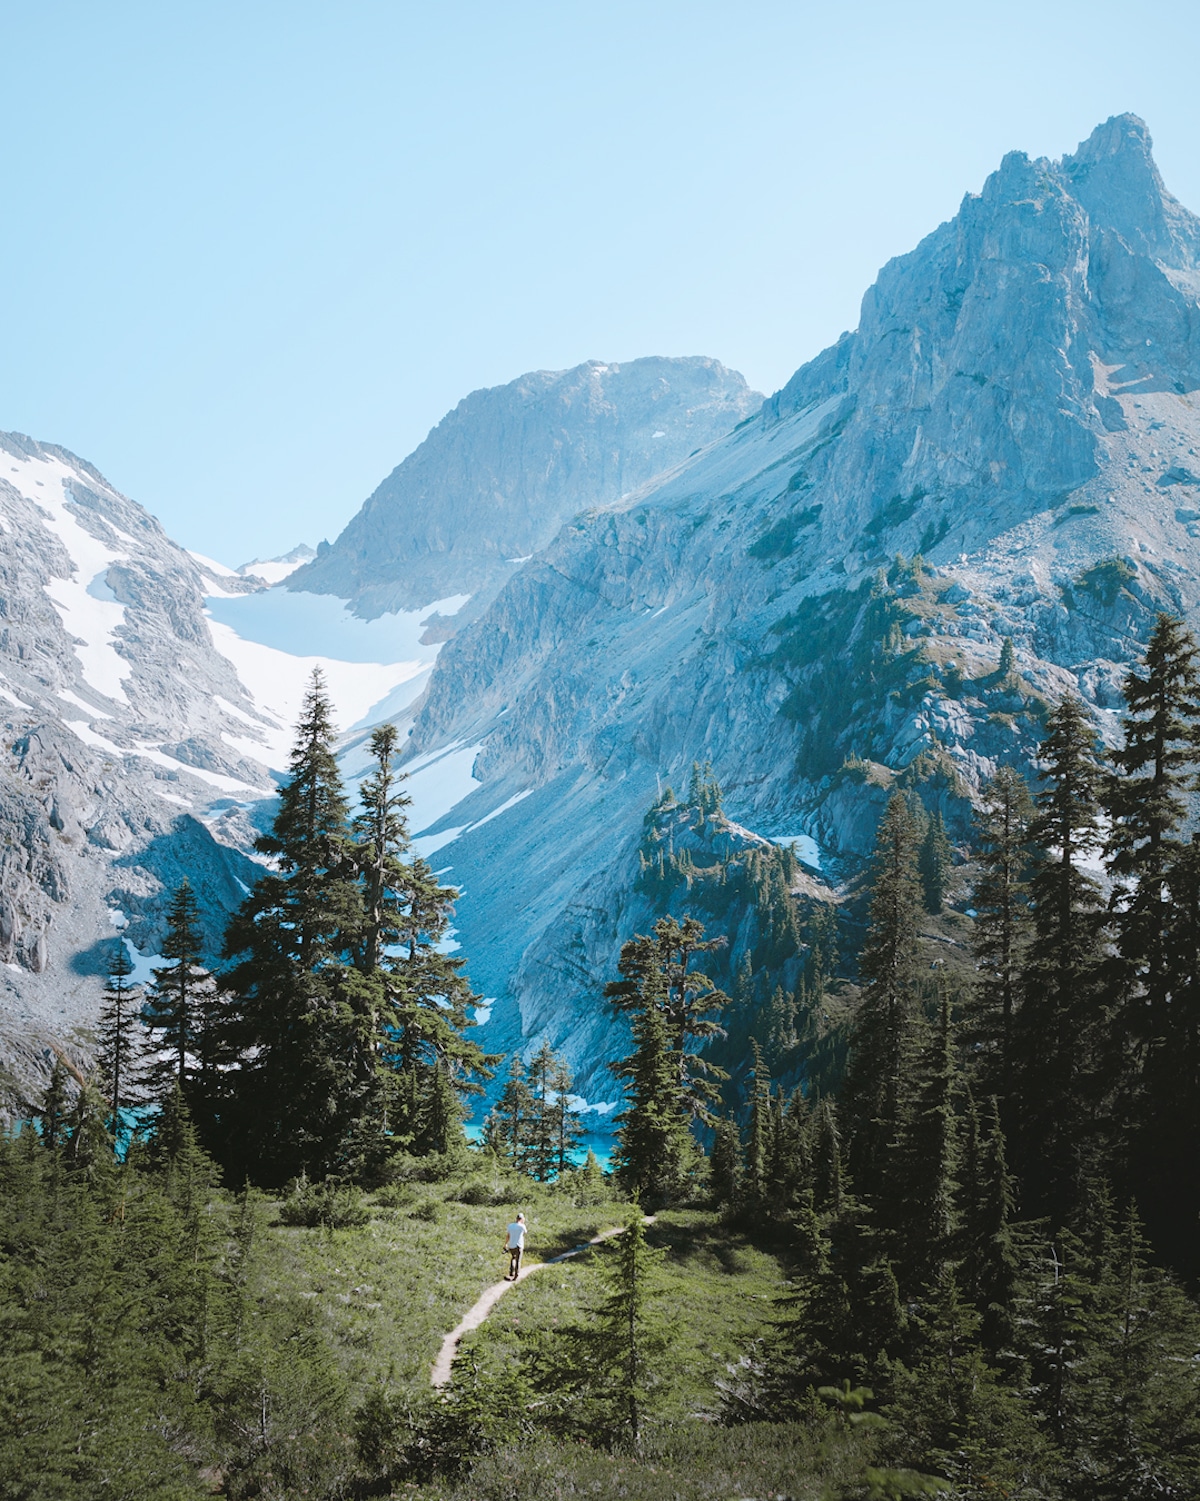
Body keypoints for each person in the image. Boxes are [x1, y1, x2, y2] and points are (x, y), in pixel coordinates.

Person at [504, 1212, 527, 1280]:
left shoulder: (510, 1225)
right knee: (518, 1260)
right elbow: (525, 1232)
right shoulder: (522, 1226)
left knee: (513, 1258)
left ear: (516, 1218)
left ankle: (511, 1272)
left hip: (511, 1245)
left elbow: (508, 1236)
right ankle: (516, 1275)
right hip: (519, 1245)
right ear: (522, 1219)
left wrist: (505, 1243)